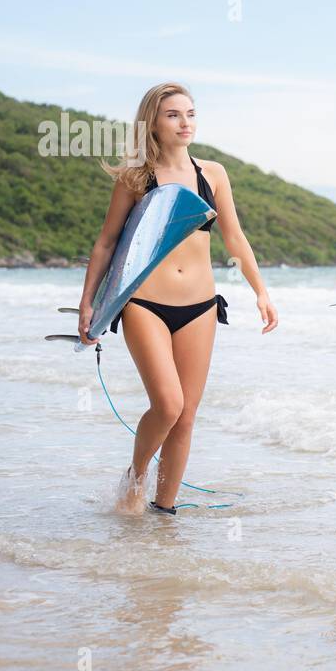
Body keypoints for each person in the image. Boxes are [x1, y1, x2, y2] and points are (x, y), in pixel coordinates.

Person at [77, 82, 279, 514]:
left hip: (200, 306)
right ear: (153, 122)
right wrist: (87, 303)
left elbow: (235, 238)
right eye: (173, 114)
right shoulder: (136, 178)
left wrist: (260, 291)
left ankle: (163, 512)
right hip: (144, 303)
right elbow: (106, 243)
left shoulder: (213, 174)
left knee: (186, 415)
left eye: (190, 113)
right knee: (167, 404)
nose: (184, 122)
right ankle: (135, 478)